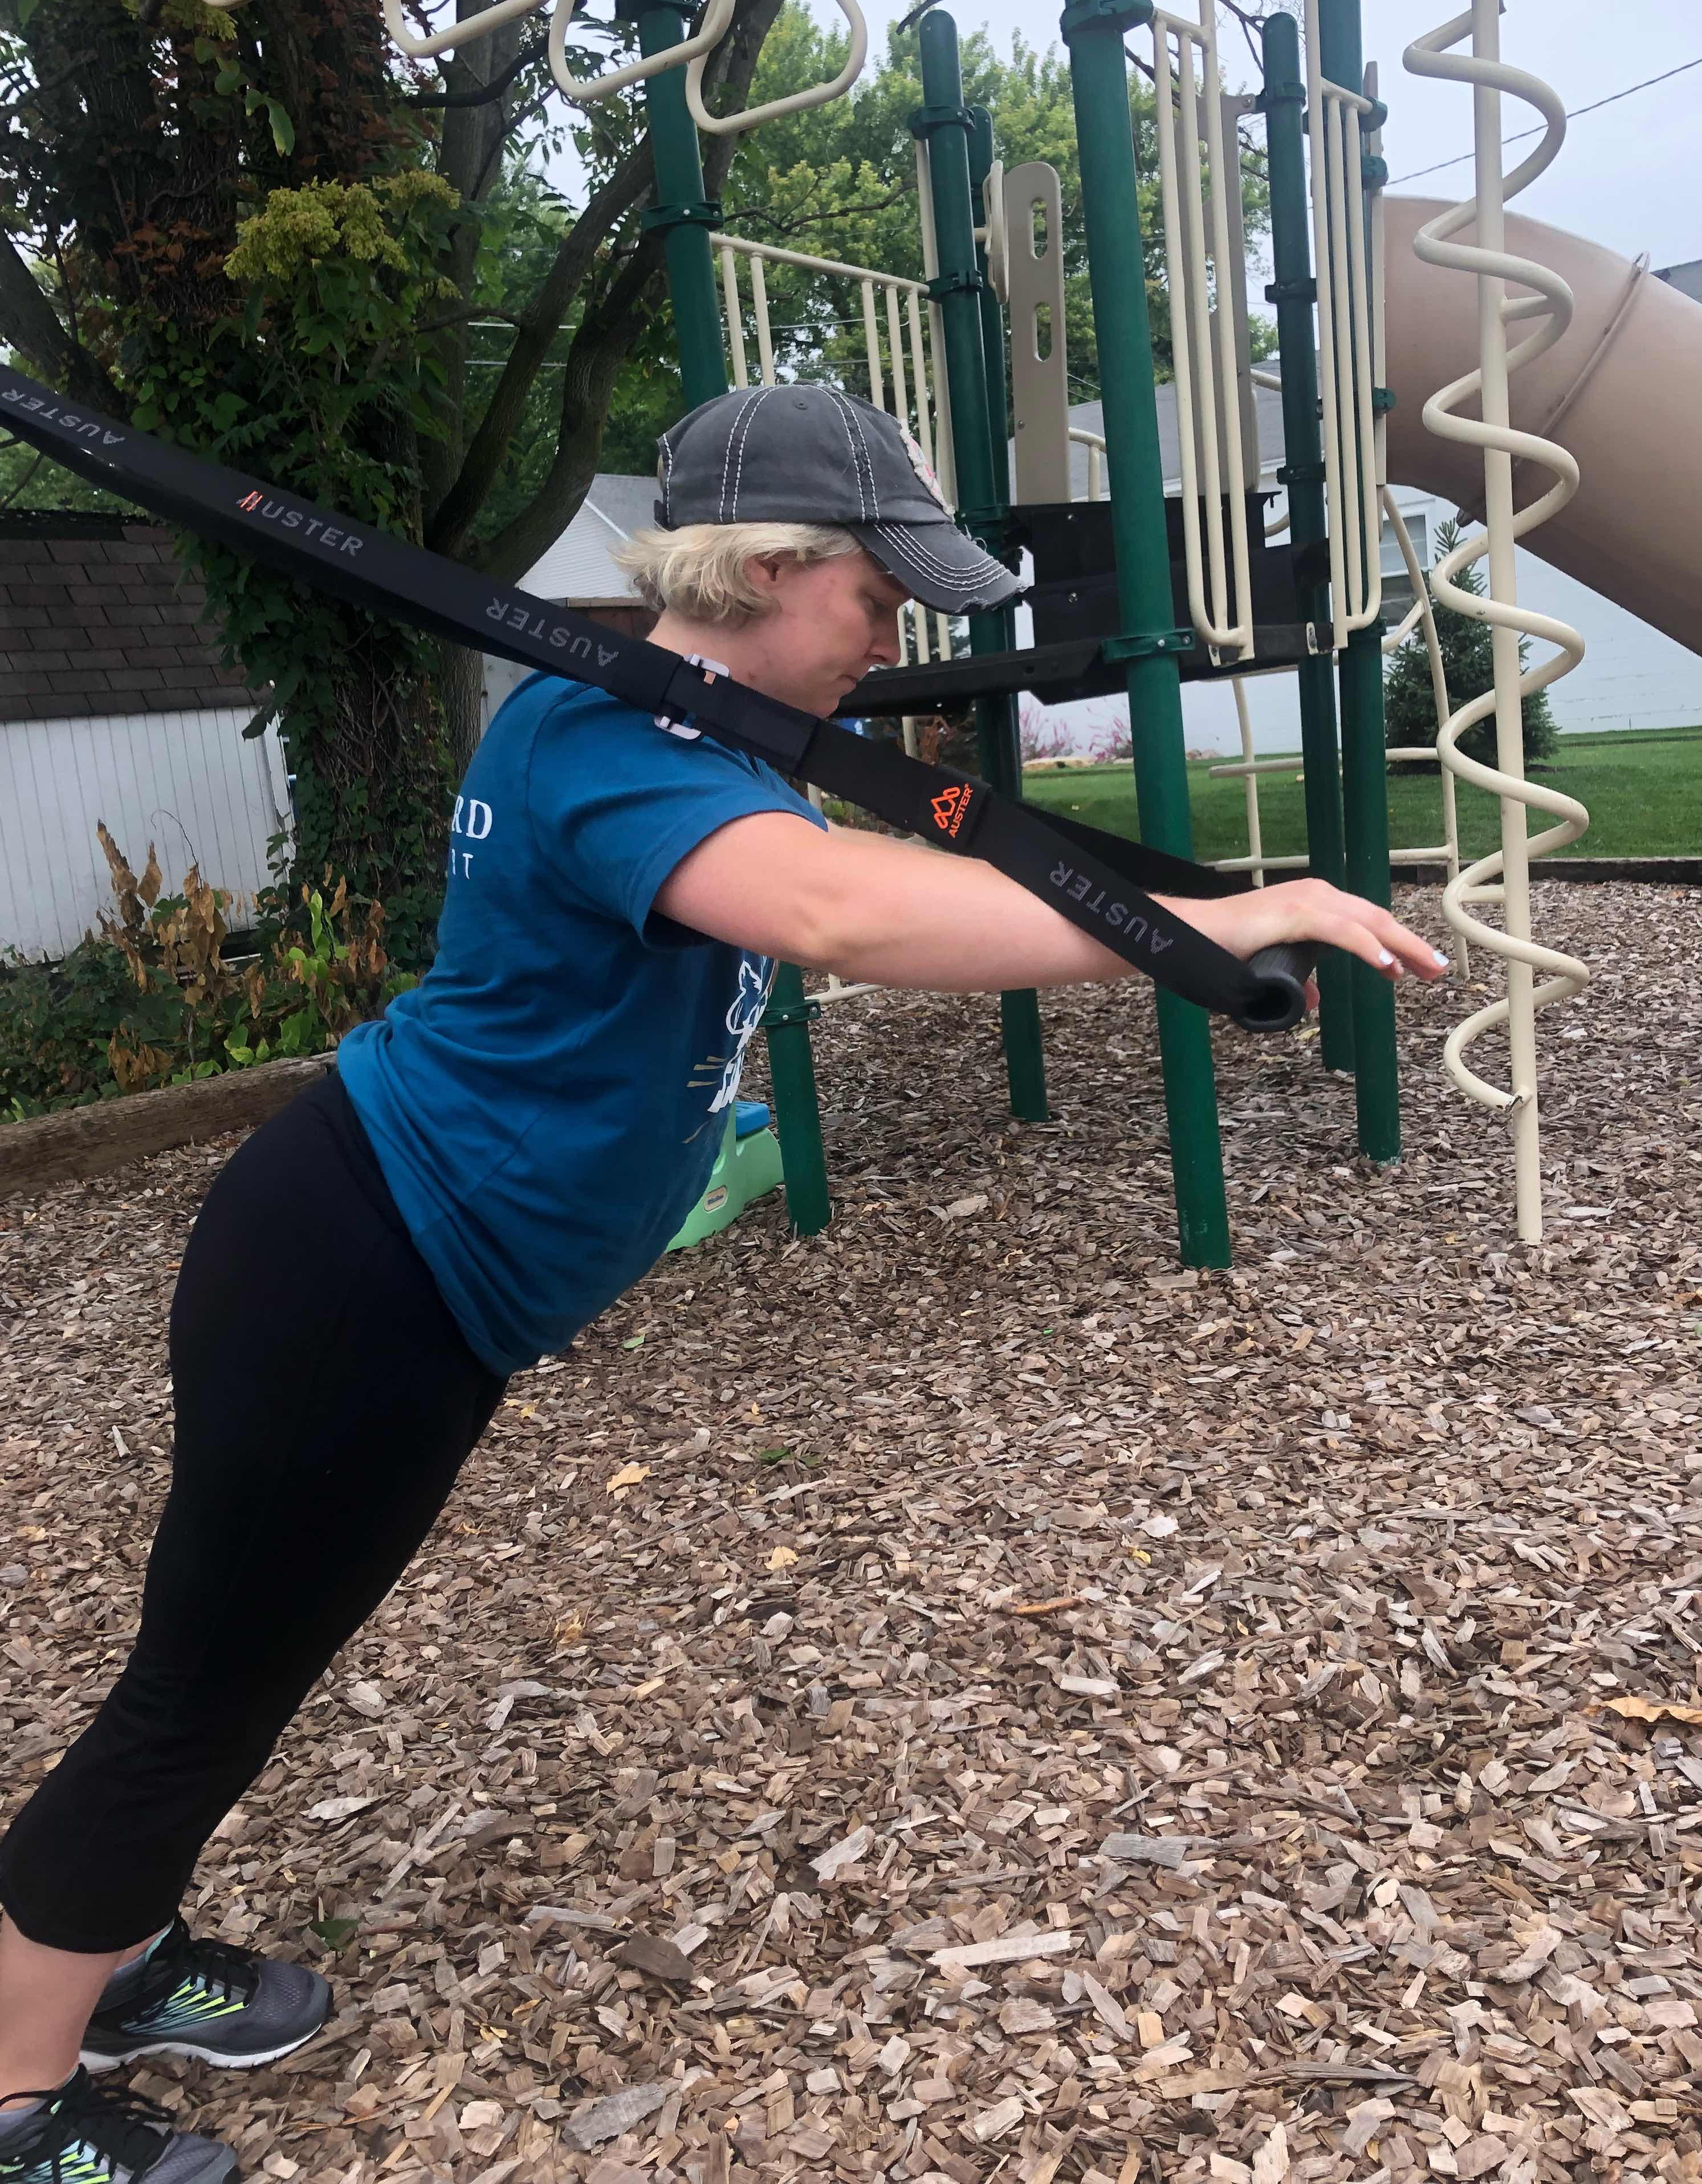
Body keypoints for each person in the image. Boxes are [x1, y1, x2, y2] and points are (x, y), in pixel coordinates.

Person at [0, 387, 1446, 2181]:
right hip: (368, 1266)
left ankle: (118, 1951)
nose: (895, 633)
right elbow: (834, 914)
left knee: (243, 1652)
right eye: (877, 594)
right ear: (767, 567)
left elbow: (861, 868)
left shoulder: (700, 733)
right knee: (202, 1685)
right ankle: (20, 2098)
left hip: (412, 1270)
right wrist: (1208, 928)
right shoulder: (614, 741)